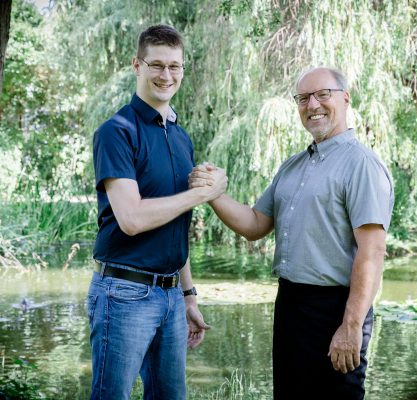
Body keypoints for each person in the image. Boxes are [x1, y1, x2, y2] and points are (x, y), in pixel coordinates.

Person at [189, 67, 394, 399]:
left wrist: (351, 326)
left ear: (345, 99)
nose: (312, 105)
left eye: (322, 95)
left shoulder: (362, 165)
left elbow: (371, 253)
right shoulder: (292, 166)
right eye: (303, 98)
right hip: (291, 304)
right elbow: (256, 224)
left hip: (337, 310)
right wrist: (211, 193)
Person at [87, 24, 227, 400]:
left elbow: (174, 223)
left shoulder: (180, 137)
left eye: (175, 66)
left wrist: (188, 296)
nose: (167, 75)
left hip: (169, 295)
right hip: (124, 292)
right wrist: (202, 195)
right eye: (157, 65)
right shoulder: (117, 131)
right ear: (137, 64)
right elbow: (131, 219)